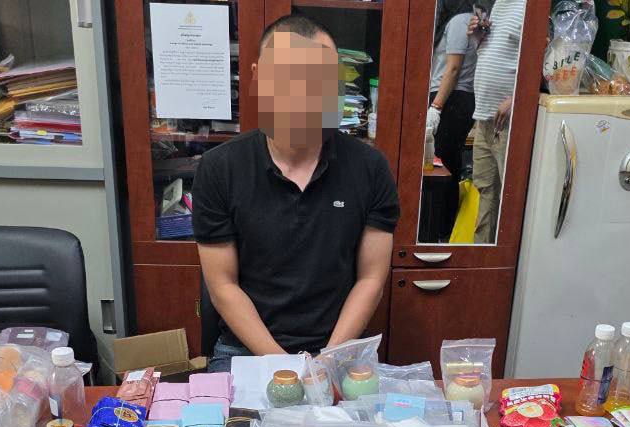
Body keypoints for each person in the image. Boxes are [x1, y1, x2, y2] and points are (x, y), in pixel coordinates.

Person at [192, 14, 400, 372]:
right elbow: (223, 286)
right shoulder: (219, 168)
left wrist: (326, 360)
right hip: (247, 349)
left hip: (338, 347)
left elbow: (371, 279)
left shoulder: (370, 168)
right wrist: (286, 366)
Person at [468, 0, 526, 245]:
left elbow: (547, 59)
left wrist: (517, 97)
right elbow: (491, 53)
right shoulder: (499, 4)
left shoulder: (529, 7)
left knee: (511, 197)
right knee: (485, 192)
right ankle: (481, 259)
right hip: (484, 117)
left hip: (511, 122)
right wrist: (478, 38)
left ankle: (505, 262)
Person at [426, 0, 482, 240]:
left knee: (442, 166)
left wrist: (436, 107)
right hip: (450, 98)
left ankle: (440, 231)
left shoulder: (461, 21)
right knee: (447, 163)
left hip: (453, 99)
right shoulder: (456, 21)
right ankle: (444, 229)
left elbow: (453, 69)